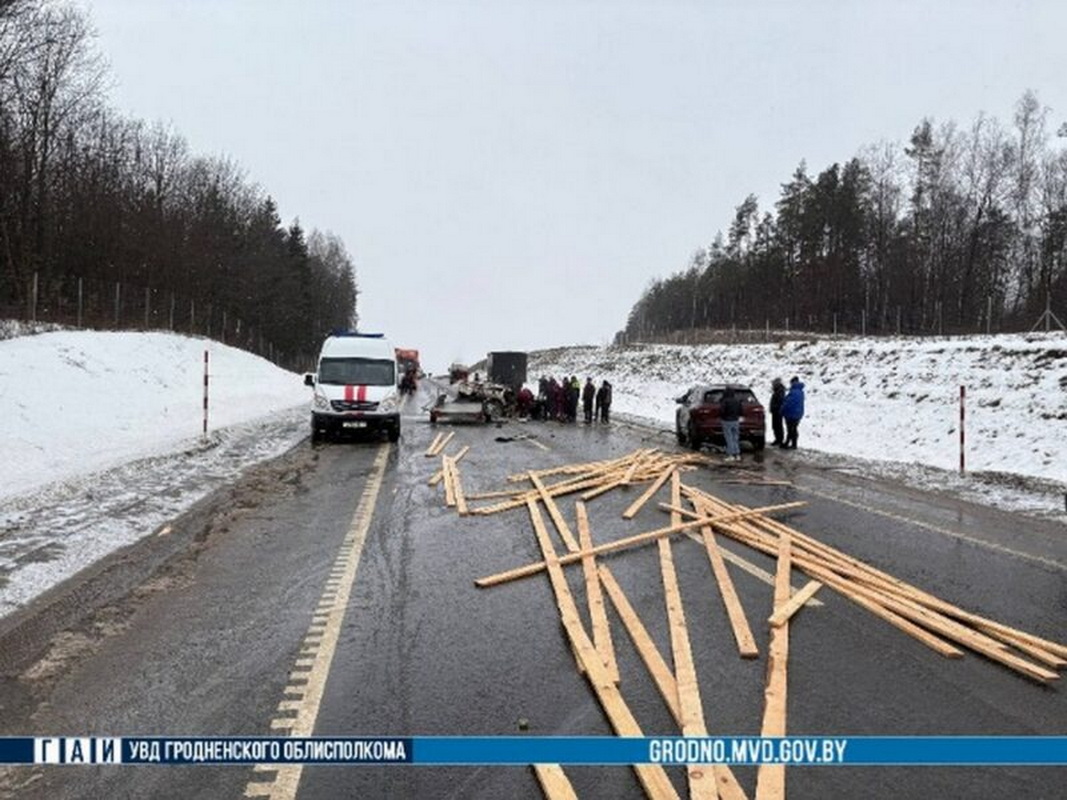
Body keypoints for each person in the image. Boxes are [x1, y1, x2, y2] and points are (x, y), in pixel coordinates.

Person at [781, 376, 805, 450]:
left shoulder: (793, 392)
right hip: (798, 413)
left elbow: (788, 403)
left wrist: (782, 410)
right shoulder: (801, 392)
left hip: (790, 414)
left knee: (790, 429)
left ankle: (788, 443)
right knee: (794, 428)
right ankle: (793, 444)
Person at [719, 386, 743, 461]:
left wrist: (722, 417)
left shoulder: (725, 401)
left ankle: (731, 454)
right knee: (735, 438)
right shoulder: (737, 400)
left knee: (729, 438)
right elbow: (741, 410)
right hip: (736, 421)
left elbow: (722, 411)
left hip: (727, 421)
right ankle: (737, 454)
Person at [769, 377, 786, 447]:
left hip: (778, 411)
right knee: (775, 426)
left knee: (778, 425)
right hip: (775, 411)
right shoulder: (777, 391)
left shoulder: (780, 391)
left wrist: (775, 407)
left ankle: (780, 439)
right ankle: (777, 439)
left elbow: (780, 401)